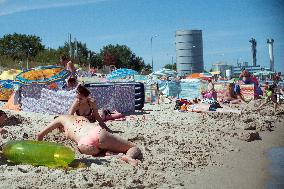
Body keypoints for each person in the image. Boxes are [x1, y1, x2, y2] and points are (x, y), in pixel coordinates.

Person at [37, 115, 142, 166]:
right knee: (133, 147)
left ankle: (108, 154)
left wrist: (38, 151)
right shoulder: (78, 117)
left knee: (96, 150)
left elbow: (40, 135)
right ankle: (128, 157)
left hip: (84, 144)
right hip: (97, 133)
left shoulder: (60, 119)